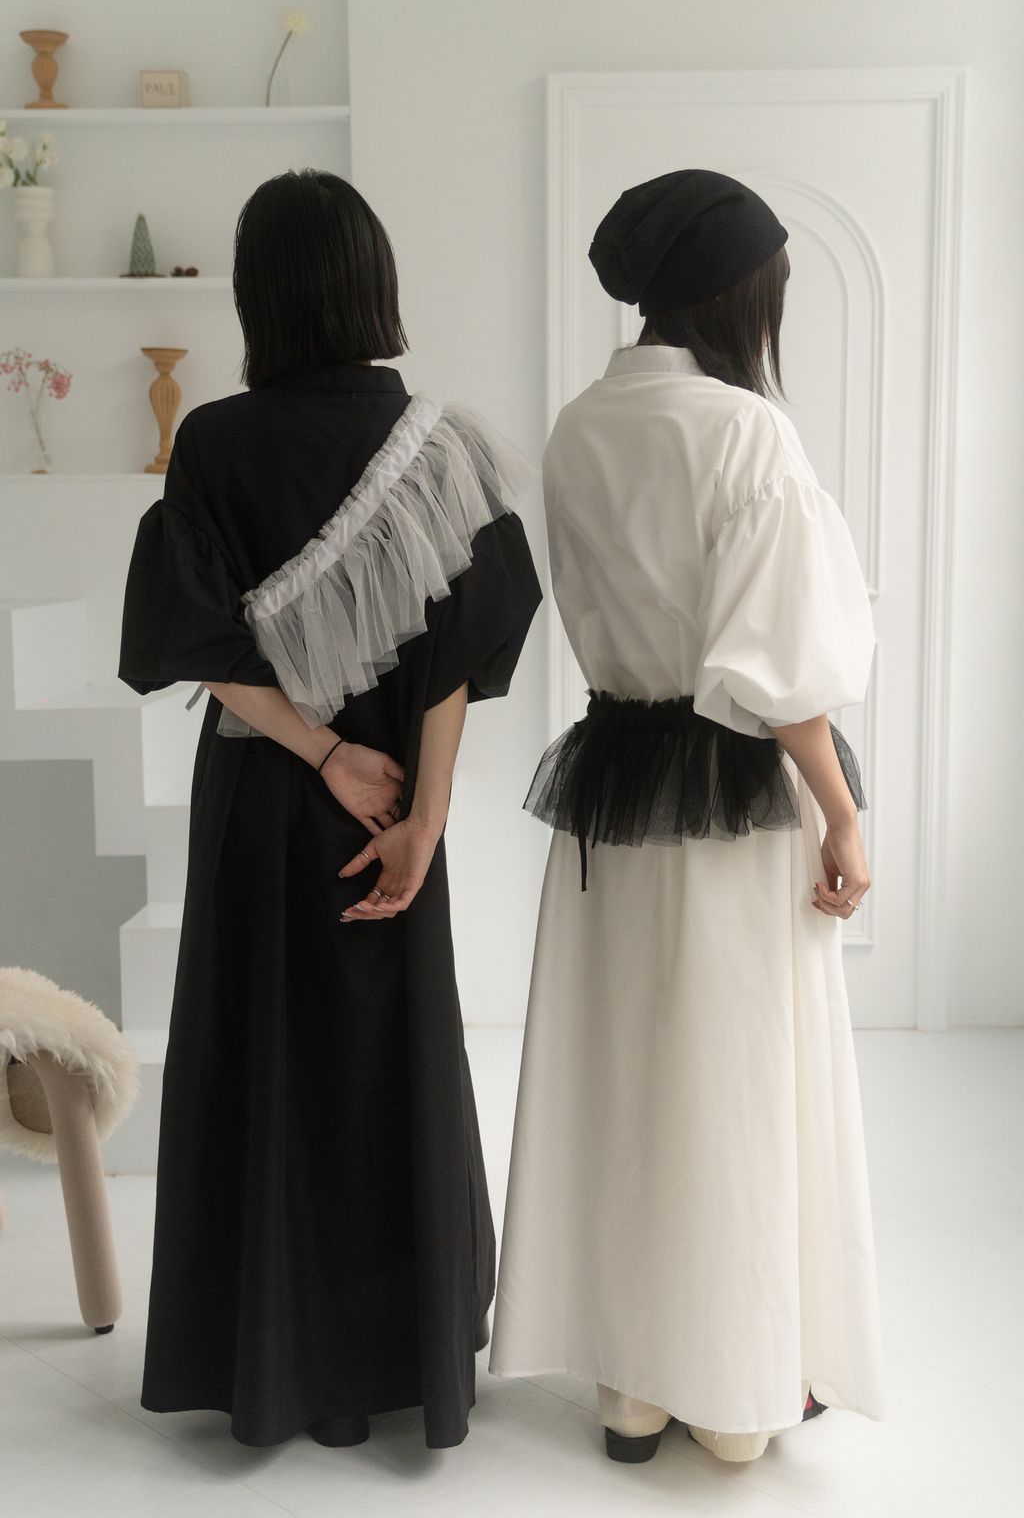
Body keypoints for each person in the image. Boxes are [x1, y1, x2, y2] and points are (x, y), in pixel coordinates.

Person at [118, 169, 542, 1450]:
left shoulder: (214, 442)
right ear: (372, 283)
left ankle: (267, 1358)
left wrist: (318, 755)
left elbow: (194, 641)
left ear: (261, 296)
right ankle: (395, 1353)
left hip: (264, 799)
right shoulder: (439, 446)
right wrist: (423, 819)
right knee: (386, 1061)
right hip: (397, 804)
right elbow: (459, 657)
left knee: (260, 1056)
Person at [489, 169, 884, 1464]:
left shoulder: (577, 427)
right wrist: (843, 815)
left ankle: (631, 1388)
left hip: (615, 781)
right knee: (734, 1080)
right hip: (732, 793)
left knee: (630, 1074)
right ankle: (735, 1396)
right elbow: (778, 670)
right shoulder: (744, 432)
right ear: (738, 296)